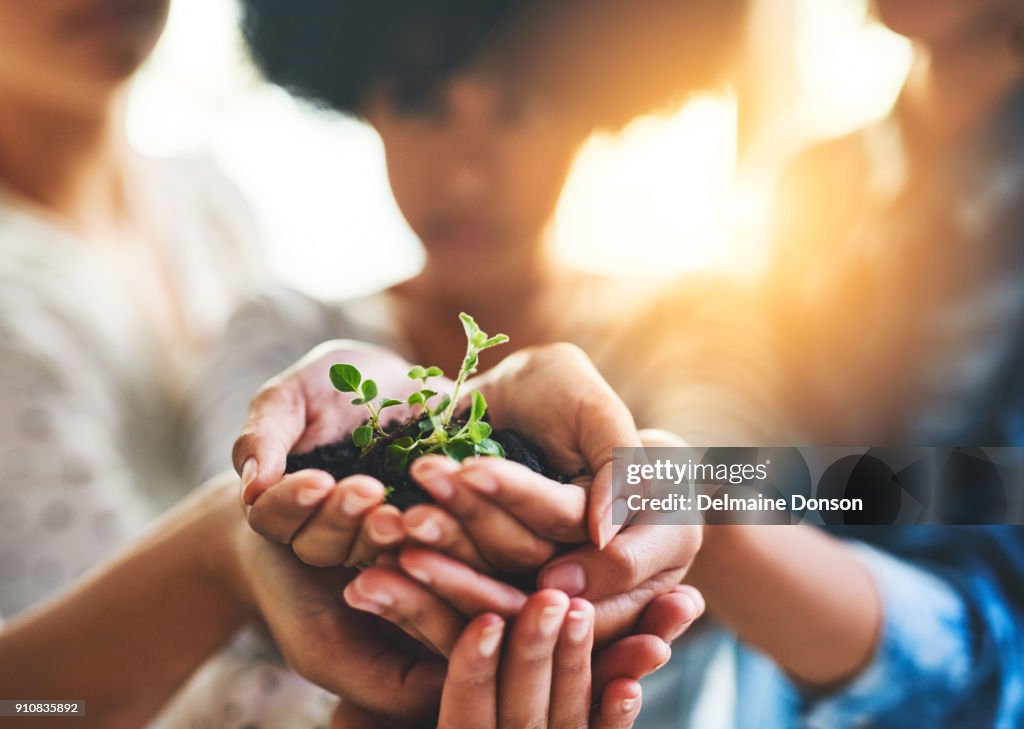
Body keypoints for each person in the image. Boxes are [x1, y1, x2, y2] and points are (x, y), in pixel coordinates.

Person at [0, 342, 701, 728]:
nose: (468, 168)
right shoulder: (280, 320)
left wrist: (687, 478)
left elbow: (798, 481)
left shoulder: (663, 315)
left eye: (523, 110)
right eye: (418, 103)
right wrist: (224, 550)